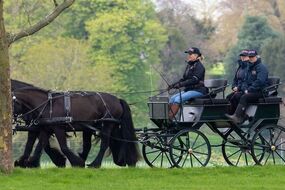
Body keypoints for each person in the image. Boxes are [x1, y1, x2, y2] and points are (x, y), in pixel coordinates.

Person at [225, 50, 268, 124]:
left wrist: (249, 89)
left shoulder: (261, 67)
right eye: (250, 57)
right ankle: (237, 116)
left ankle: (237, 116)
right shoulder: (249, 68)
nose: (251, 58)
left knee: (244, 97)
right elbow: (244, 81)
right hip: (251, 90)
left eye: (252, 57)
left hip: (260, 92)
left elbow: (260, 81)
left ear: (256, 57)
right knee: (235, 96)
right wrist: (243, 89)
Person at [168, 47, 208, 119]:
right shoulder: (189, 66)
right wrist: (173, 85)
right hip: (189, 90)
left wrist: (180, 85)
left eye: (191, 54)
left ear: (197, 56)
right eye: (188, 54)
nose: (189, 55)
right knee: (172, 98)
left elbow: (194, 80)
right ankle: (166, 118)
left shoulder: (200, 67)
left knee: (178, 99)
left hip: (199, 90)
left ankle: (169, 119)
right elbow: (183, 79)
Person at [226, 49, 249, 114]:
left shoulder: (249, 67)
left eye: (245, 56)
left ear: (248, 57)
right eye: (241, 56)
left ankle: (237, 115)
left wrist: (238, 88)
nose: (243, 57)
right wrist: (233, 87)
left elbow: (245, 80)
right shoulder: (240, 67)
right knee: (228, 97)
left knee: (236, 97)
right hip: (238, 89)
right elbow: (235, 79)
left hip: (245, 89)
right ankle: (228, 114)